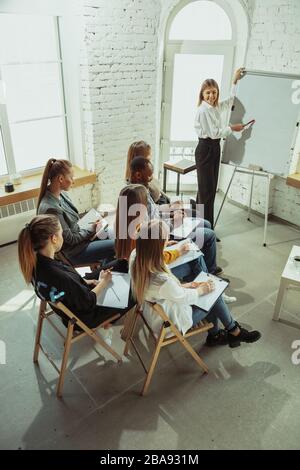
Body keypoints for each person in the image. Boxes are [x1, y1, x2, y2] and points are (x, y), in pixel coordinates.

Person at [130, 220, 261, 348]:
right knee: (214, 294)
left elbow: (166, 291)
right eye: (165, 238)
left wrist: (188, 286)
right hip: (172, 323)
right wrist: (201, 290)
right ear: (157, 247)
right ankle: (233, 331)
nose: (168, 239)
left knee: (205, 282)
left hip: (155, 312)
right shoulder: (163, 281)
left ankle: (219, 334)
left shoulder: (136, 256)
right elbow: (184, 297)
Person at [18, 215, 132, 330]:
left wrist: (90, 281)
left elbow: (69, 287)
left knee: (121, 263)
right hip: (85, 317)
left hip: (73, 301)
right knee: (137, 289)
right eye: (61, 234)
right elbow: (89, 301)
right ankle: (110, 321)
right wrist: (103, 282)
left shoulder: (36, 263)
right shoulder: (58, 276)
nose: (63, 237)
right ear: (54, 238)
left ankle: (111, 310)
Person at [129, 156, 222, 276]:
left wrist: (171, 212)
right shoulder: (137, 196)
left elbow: (154, 213)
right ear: (138, 175)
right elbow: (152, 231)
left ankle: (207, 266)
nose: (151, 178)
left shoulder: (142, 189)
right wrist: (174, 222)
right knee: (208, 235)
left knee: (205, 223)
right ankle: (208, 271)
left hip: (163, 228)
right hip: (164, 234)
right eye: (149, 176)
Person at [105, 184, 204, 283]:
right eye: (146, 202)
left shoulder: (119, 223)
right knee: (195, 257)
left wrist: (162, 245)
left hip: (137, 270)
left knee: (194, 257)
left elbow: (146, 252)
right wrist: (179, 251)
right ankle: (204, 287)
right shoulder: (139, 230)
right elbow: (156, 260)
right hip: (148, 278)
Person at [37, 158, 115, 265]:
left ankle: (105, 266)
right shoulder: (51, 208)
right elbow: (71, 240)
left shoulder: (60, 194)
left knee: (108, 228)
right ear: (60, 179)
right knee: (115, 244)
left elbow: (74, 221)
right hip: (74, 251)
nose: (73, 181)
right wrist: (91, 228)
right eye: (71, 177)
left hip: (79, 234)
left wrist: (93, 221)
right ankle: (103, 272)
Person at [194, 67, 245, 227]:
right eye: (208, 92)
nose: (211, 96)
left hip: (214, 148)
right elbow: (215, 133)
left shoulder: (214, 107)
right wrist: (233, 128)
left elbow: (230, 101)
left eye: (214, 92)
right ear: (202, 94)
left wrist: (234, 81)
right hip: (206, 149)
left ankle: (200, 225)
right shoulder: (203, 111)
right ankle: (205, 230)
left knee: (208, 189)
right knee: (207, 191)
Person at [125, 140, 170, 205]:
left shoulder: (145, 175)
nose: (150, 163)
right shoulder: (137, 188)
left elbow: (160, 193)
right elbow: (150, 211)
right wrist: (170, 209)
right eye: (148, 160)